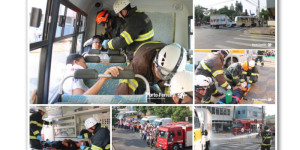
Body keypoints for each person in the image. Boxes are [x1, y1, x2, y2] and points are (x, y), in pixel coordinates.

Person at [114, 42, 187, 98]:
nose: (161, 78)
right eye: (160, 74)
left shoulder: (177, 61)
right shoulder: (139, 65)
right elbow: (121, 95)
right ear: (155, 62)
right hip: (140, 57)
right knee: (142, 87)